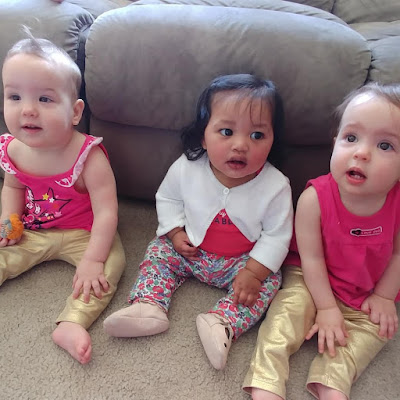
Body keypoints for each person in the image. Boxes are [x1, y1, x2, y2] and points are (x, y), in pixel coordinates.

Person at [103, 74, 293, 370]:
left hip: (241, 264)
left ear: (272, 141)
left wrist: (254, 273)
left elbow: (277, 236)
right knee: (158, 250)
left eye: (257, 135)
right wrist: (175, 232)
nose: (241, 145)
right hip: (191, 252)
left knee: (271, 282)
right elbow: (168, 199)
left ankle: (222, 323)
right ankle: (148, 304)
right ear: (204, 136)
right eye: (227, 132)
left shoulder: (276, 186)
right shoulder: (187, 167)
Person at [243, 82, 400, 400]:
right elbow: (311, 259)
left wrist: (384, 297)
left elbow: (398, 254)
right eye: (350, 138)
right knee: (286, 313)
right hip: (310, 276)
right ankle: (266, 379)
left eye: (385, 145)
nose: (361, 153)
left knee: (379, 328)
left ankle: (333, 381)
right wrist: (326, 307)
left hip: (367, 289)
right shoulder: (314, 199)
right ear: (335, 143)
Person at [0, 33, 126, 364]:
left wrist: (93, 259)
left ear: (75, 112)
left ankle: (72, 322)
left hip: (84, 232)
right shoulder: (14, 149)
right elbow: (13, 188)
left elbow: (107, 212)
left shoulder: (89, 157)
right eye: (14, 96)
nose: (28, 110)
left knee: (111, 265)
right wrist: (9, 221)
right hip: (33, 230)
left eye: (44, 99)